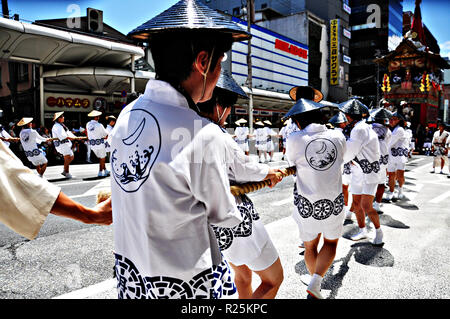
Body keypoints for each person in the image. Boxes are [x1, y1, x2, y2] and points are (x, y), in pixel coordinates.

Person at [109, 0, 251, 299]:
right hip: (184, 282)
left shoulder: (126, 114)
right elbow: (223, 214)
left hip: (134, 276)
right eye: (219, 64)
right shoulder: (202, 133)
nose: (218, 75)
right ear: (202, 62)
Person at [198, 70, 284, 299]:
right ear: (219, 105)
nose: (227, 115)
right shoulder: (216, 133)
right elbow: (242, 168)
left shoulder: (187, 129)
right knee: (274, 278)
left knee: (243, 274)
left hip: (208, 218)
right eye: (228, 109)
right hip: (233, 215)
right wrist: (268, 172)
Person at [285, 98, 346, 299]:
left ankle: (314, 281)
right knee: (330, 243)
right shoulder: (338, 136)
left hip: (307, 204)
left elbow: (290, 161)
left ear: (299, 122)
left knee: (310, 246)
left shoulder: (294, 138)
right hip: (333, 203)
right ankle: (316, 281)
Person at [0, 139, 112, 240]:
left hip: (32, 151)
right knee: (60, 158)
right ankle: (62, 171)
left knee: (45, 161)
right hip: (61, 146)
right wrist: (88, 215)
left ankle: (42, 175)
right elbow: (12, 176)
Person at [340, 98, 384, 246]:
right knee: (357, 204)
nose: (345, 119)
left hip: (368, 172)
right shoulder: (360, 127)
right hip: (358, 170)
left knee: (366, 206)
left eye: (346, 116)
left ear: (350, 116)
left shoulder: (359, 129)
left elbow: (349, 153)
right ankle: (362, 230)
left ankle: (378, 231)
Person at [329, 112, 352, 220]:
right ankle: (345, 208)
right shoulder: (346, 133)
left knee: (337, 187)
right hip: (345, 163)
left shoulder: (329, 133)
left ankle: (340, 209)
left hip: (333, 164)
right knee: (344, 187)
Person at [368, 108, 392, 212]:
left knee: (367, 183)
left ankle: (365, 204)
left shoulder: (369, 129)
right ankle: (377, 204)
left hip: (370, 159)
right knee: (381, 183)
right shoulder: (388, 131)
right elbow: (389, 144)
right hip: (383, 160)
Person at [385, 111, 409, 200]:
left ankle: (400, 189)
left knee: (400, 175)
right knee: (391, 175)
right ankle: (391, 192)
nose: (391, 121)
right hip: (391, 155)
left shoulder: (399, 129)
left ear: (399, 120)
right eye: (390, 119)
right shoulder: (389, 129)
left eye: (394, 119)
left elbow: (390, 142)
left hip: (400, 155)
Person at [51, 112, 76, 179]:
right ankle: (66, 172)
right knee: (69, 157)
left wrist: (75, 137)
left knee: (70, 157)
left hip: (64, 143)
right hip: (62, 144)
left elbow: (68, 133)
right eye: (62, 117)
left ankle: (65, 171)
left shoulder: (61, 125)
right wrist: (71, 137)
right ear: (59, 119)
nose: (63, 117)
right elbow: (63, 136)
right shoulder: (57, 126)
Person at [86, 110, 110, 177]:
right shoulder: (99, 125)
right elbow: (105, 134)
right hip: (100, 144)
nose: (99, 117)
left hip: (92, 144)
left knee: (101, 157)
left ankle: (105, 170)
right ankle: (100, 172)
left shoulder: (87, 124)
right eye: (98, 116)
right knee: (102, 158)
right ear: (96, 117)